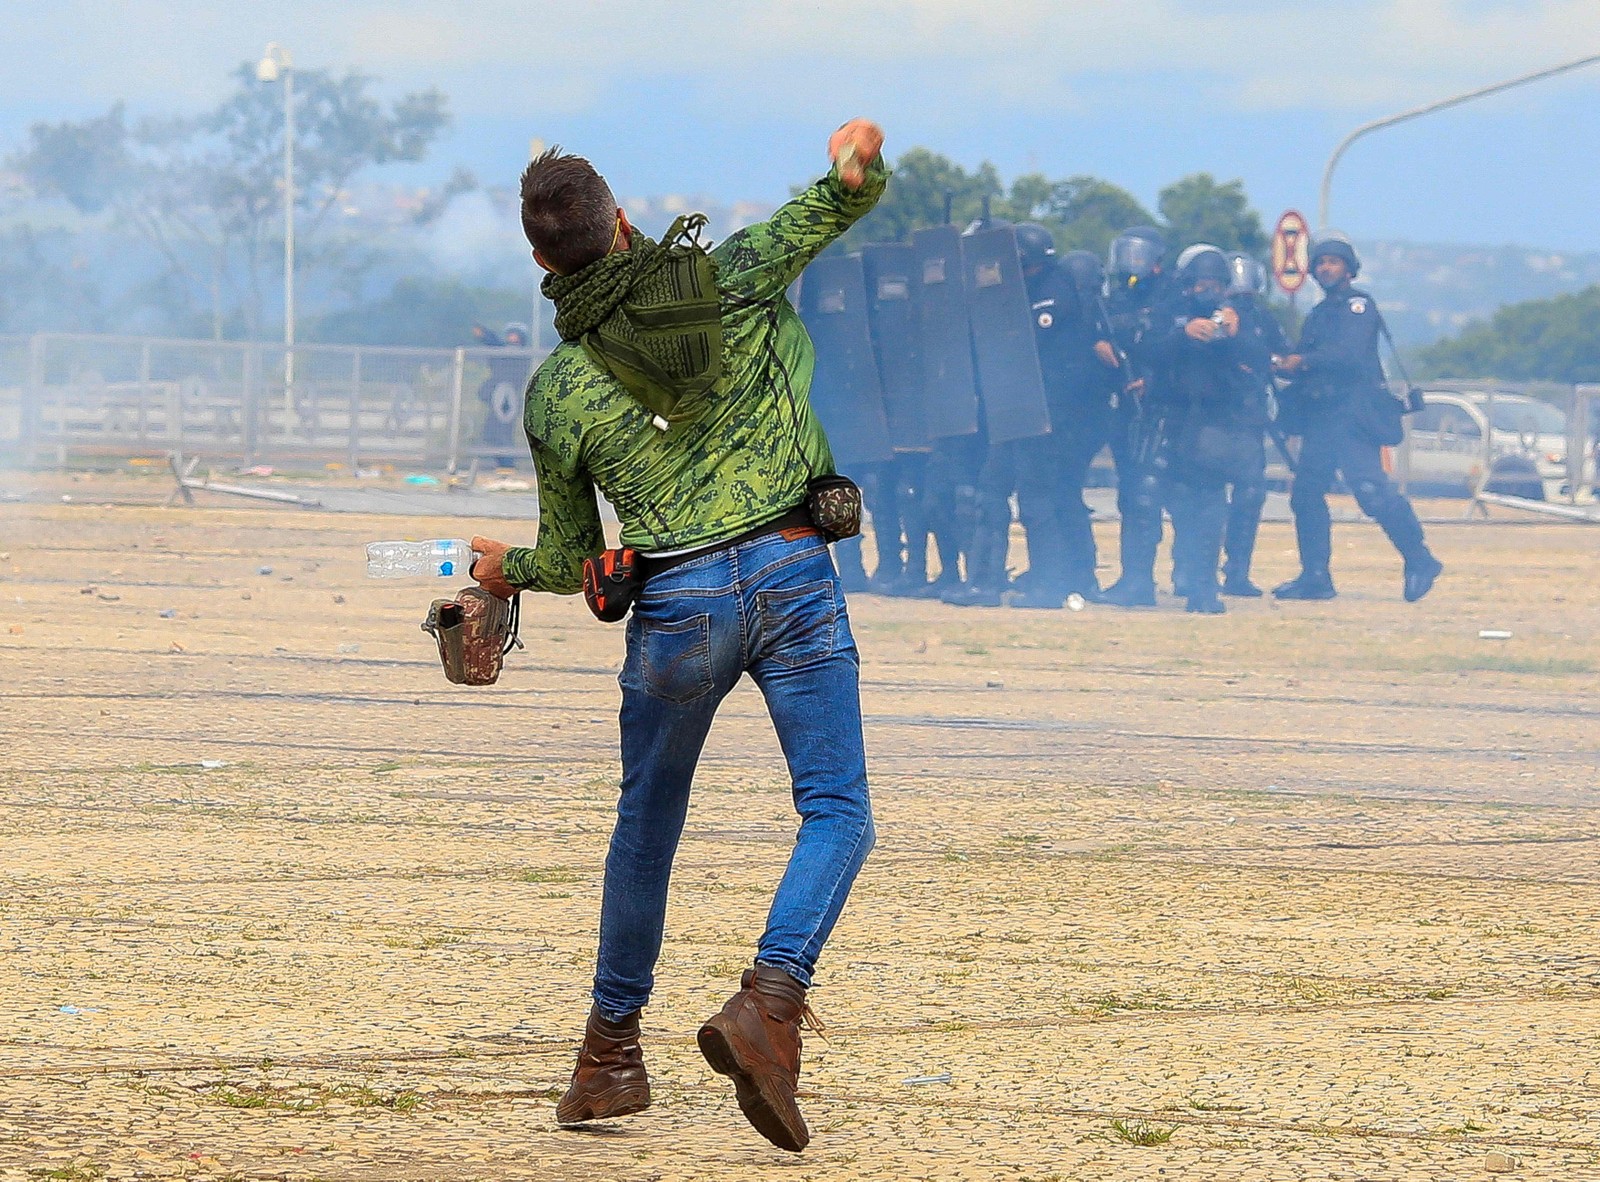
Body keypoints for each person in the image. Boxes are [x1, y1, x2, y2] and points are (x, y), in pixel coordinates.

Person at [467, 120, 887, 1153]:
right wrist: (852, 167)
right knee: (837, 812)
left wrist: (499, 569)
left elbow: (570, 563)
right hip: (795, 573)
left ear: (537, 262)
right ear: (620, 221)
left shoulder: (557, 390)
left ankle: (609, 1058)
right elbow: (830, 204)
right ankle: (771, 1002)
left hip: (677, 607)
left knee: (645, 831)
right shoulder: (730, 277)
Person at [1274, 235, 1443, 602]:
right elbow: (1306, 359)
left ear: (1349, 269)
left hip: (1353, 416)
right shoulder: (1320, 313)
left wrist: (1303, 361)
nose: (1325, 269)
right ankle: (1315, 576)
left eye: (1333, 262)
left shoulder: (1358, 307)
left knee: (1370, 490)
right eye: (1320, 263)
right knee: (1305, 494)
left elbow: (1347, 356)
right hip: (1323, 418)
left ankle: (1419, 558)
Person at [1146, 245, 1259, 614]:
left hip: (1216, 426)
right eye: (1200, 284)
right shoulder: (1168, 314)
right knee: (1164, 499)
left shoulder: (1239, 317)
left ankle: (1203, 587)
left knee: (1209, 507)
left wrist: (1234, 331)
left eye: (1215, 284)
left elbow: (1260, 358)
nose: (1206, 291)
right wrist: (1183, 334)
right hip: (1172, 422)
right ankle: (1165, 576)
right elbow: (1149, 351)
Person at [1010, 230, 1113, 606]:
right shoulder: (1054, 287)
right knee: (1064, 496)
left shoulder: (1051, 292)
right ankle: (1079, 575)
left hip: (1057, 414)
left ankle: (1049, 583)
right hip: (1066, 412)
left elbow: (1035, 340)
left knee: (1039, 497)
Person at [1098, 225, 1169, 607]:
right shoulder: (1113, 300)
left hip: (1157, 408)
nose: (1132, 262)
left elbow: (1173, 347)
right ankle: (1133, 576)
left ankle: (1148, 579)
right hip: (1122, 407)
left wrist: (1153, 380)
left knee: (1148, 493)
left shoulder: (1169, 297)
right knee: (1132, 493)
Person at [1219, 253, 1286, 597]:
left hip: (1250, 417)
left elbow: (1280, 355)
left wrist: (1276, 364)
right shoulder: (1213, 313)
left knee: (1250, 493)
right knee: (1208, 493)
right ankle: (1192, 569)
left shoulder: (1262, 317)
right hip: (1214, 415)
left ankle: (1237, 569)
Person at [475, 321, 532, 469]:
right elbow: (495, 346)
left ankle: (508, 465)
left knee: (503, 434)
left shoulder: (521, 356)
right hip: (497, 398)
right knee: (491, 433)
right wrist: (484, 335)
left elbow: (501, 354)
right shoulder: (502, 352)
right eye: (510, 335)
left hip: (508, 399)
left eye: (515, 336)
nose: (512, 339)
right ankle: (503, 465)